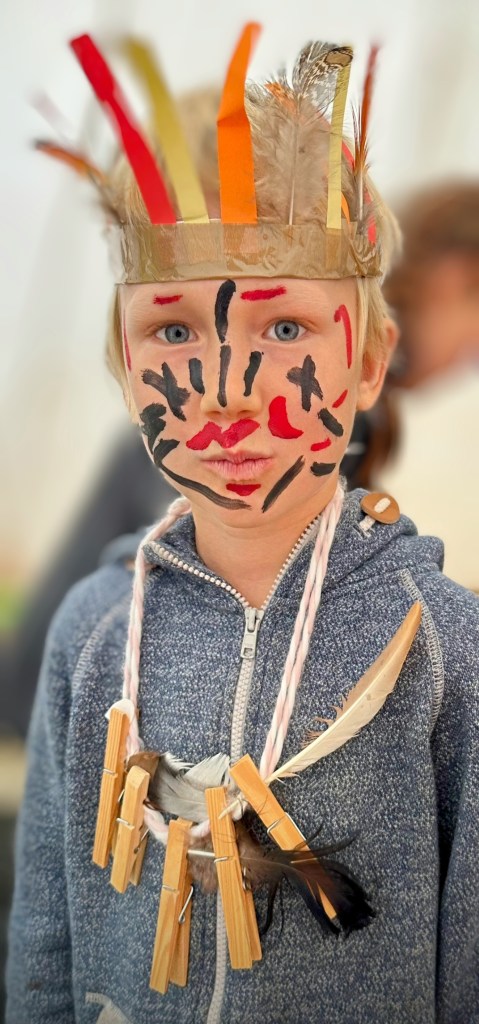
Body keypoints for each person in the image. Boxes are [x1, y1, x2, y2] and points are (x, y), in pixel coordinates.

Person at [6, 27, 479, 1024]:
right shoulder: (89, 635)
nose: (226, 389)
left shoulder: (447, 650)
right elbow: (43, 950)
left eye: (285, 327)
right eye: (173, 329)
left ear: (367, 362)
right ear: (123, 366)